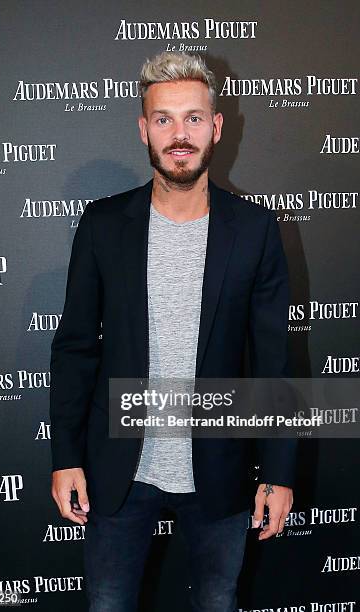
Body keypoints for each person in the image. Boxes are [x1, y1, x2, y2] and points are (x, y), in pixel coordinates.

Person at [49, 51, 297, 611]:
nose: (178, 134)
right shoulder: (103, 224)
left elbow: (272, 363)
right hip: (119, 472)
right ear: (143, 129)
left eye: (192, 118)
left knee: (217, 600)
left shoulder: (255, 229)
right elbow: (75, 349)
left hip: (221, 473)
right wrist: (66, 457)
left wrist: (279, 472)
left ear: (216, 126)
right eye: (163, 119)